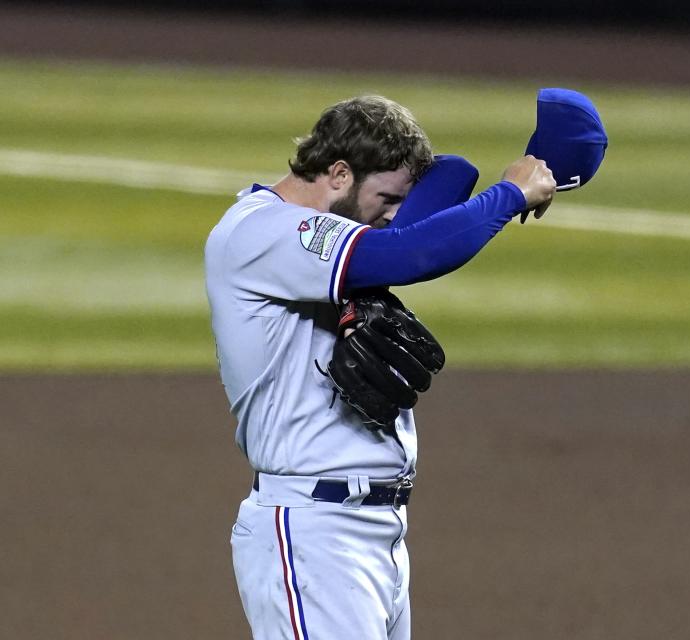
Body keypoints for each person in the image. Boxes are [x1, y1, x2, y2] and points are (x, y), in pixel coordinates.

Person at [204, 95, 555, 640]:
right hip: (313, 535)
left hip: (375, 535)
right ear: (339, 173)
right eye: (386, 198)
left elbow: (445, 180)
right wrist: (510, 194)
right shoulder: (264, 232)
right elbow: (407, 253)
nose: (392, 215)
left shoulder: (324, 234)